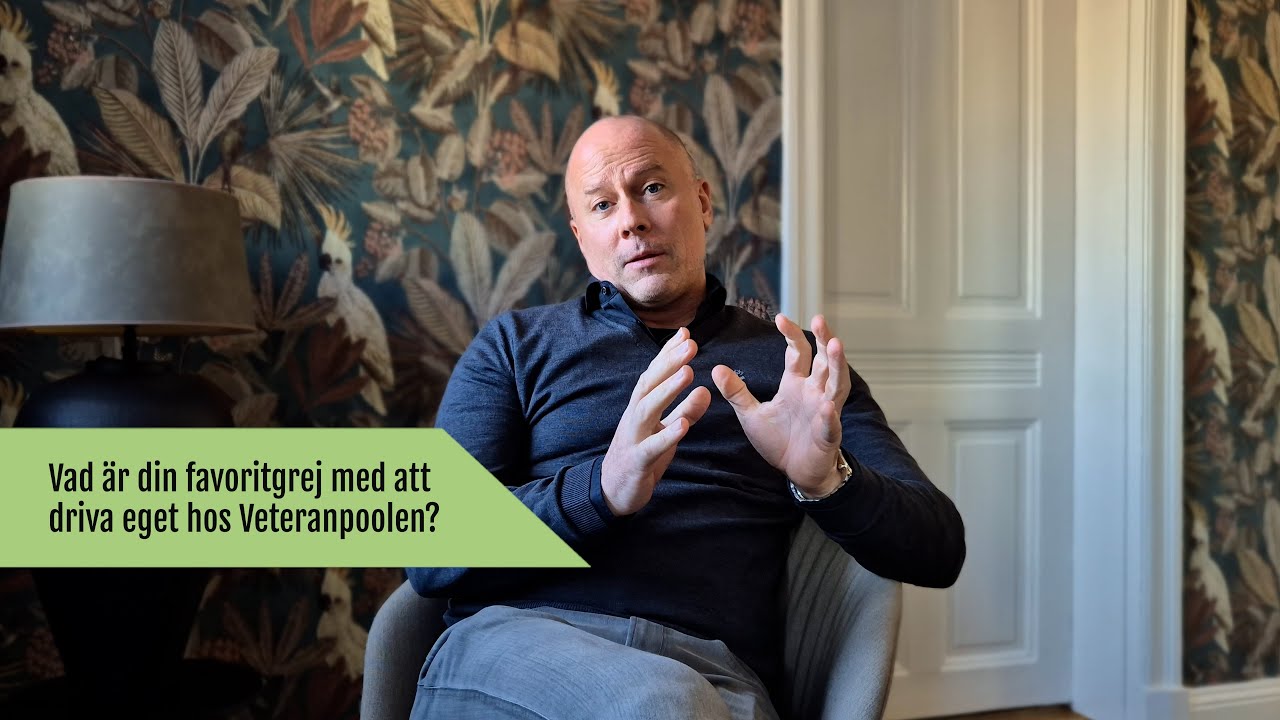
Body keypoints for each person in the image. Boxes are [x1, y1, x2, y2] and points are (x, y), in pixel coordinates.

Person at [406, 115, 965, 720]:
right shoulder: (514, 346)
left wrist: (825, 482)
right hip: (523, 649)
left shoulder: (796, 369)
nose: (631, 220)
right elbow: (431, 551)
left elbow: (939, 550)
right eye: (602, 205)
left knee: (677, 703)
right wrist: (600, 490)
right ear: (582, 238)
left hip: (714, 680)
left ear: (701, 202)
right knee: (665, 704)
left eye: (651, 188)